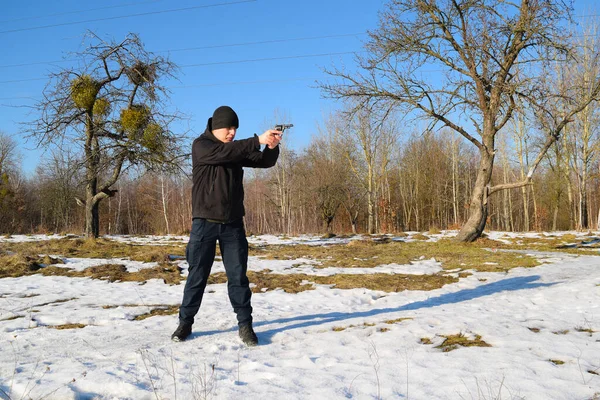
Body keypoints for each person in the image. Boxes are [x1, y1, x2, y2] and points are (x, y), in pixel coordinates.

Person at [172, 105, 282, 346]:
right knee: (197, 276)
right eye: (228, 128)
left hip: (233, 225)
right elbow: (222, 153)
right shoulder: (201, 145)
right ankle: (185, 324)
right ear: (215, 126)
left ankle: (245, 326)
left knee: (238, 277)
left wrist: (271, 147)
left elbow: (263, 162)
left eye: (235, 129)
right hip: (204, 224)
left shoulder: (234, 149)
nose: (232, 132)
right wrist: (255, 139)